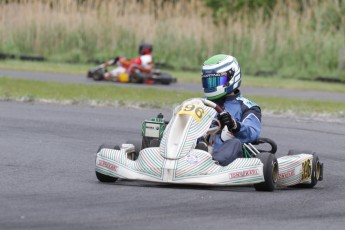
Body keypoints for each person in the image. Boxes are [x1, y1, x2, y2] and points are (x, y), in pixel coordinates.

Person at [199, 54, 262, 166]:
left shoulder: (248, 107)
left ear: (231, 78)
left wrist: (234, 125)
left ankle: (214, 164)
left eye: (216, 81)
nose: (211, 86)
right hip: (199, 152)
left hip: (230, 156)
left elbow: (252, 133)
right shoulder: (199, 103)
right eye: (208, 82)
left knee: (234, 142)